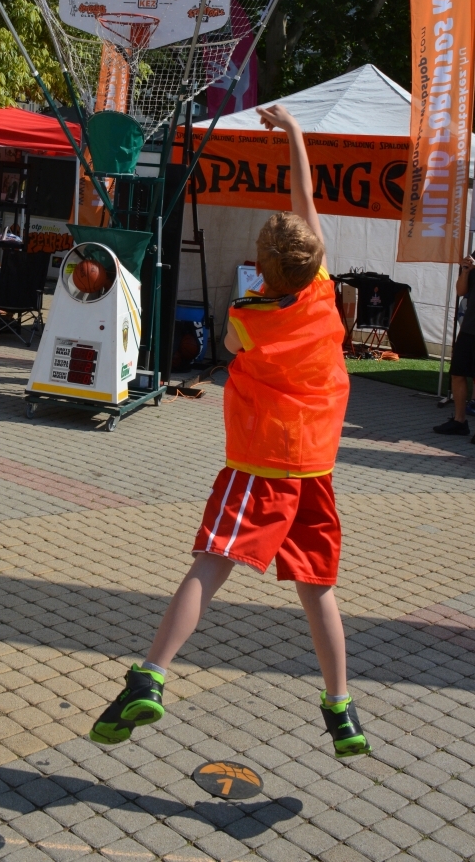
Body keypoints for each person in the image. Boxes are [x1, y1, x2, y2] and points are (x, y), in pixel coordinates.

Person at [89, 104, 371, 758]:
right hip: (316, 474)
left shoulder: (249, 318)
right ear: (315, 262)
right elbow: (307, 201)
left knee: (209, 566)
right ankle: (342, 709)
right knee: (319, 592)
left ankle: (149, 676)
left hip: (262, 468)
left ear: (262, 268)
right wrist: (296, 135)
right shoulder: (325, 294)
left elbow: (229, 338)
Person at [433, 220, 475, 440]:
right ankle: (460, 421)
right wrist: (466, 271)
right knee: (458, 374)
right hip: (469, 329)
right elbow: (460, 291)